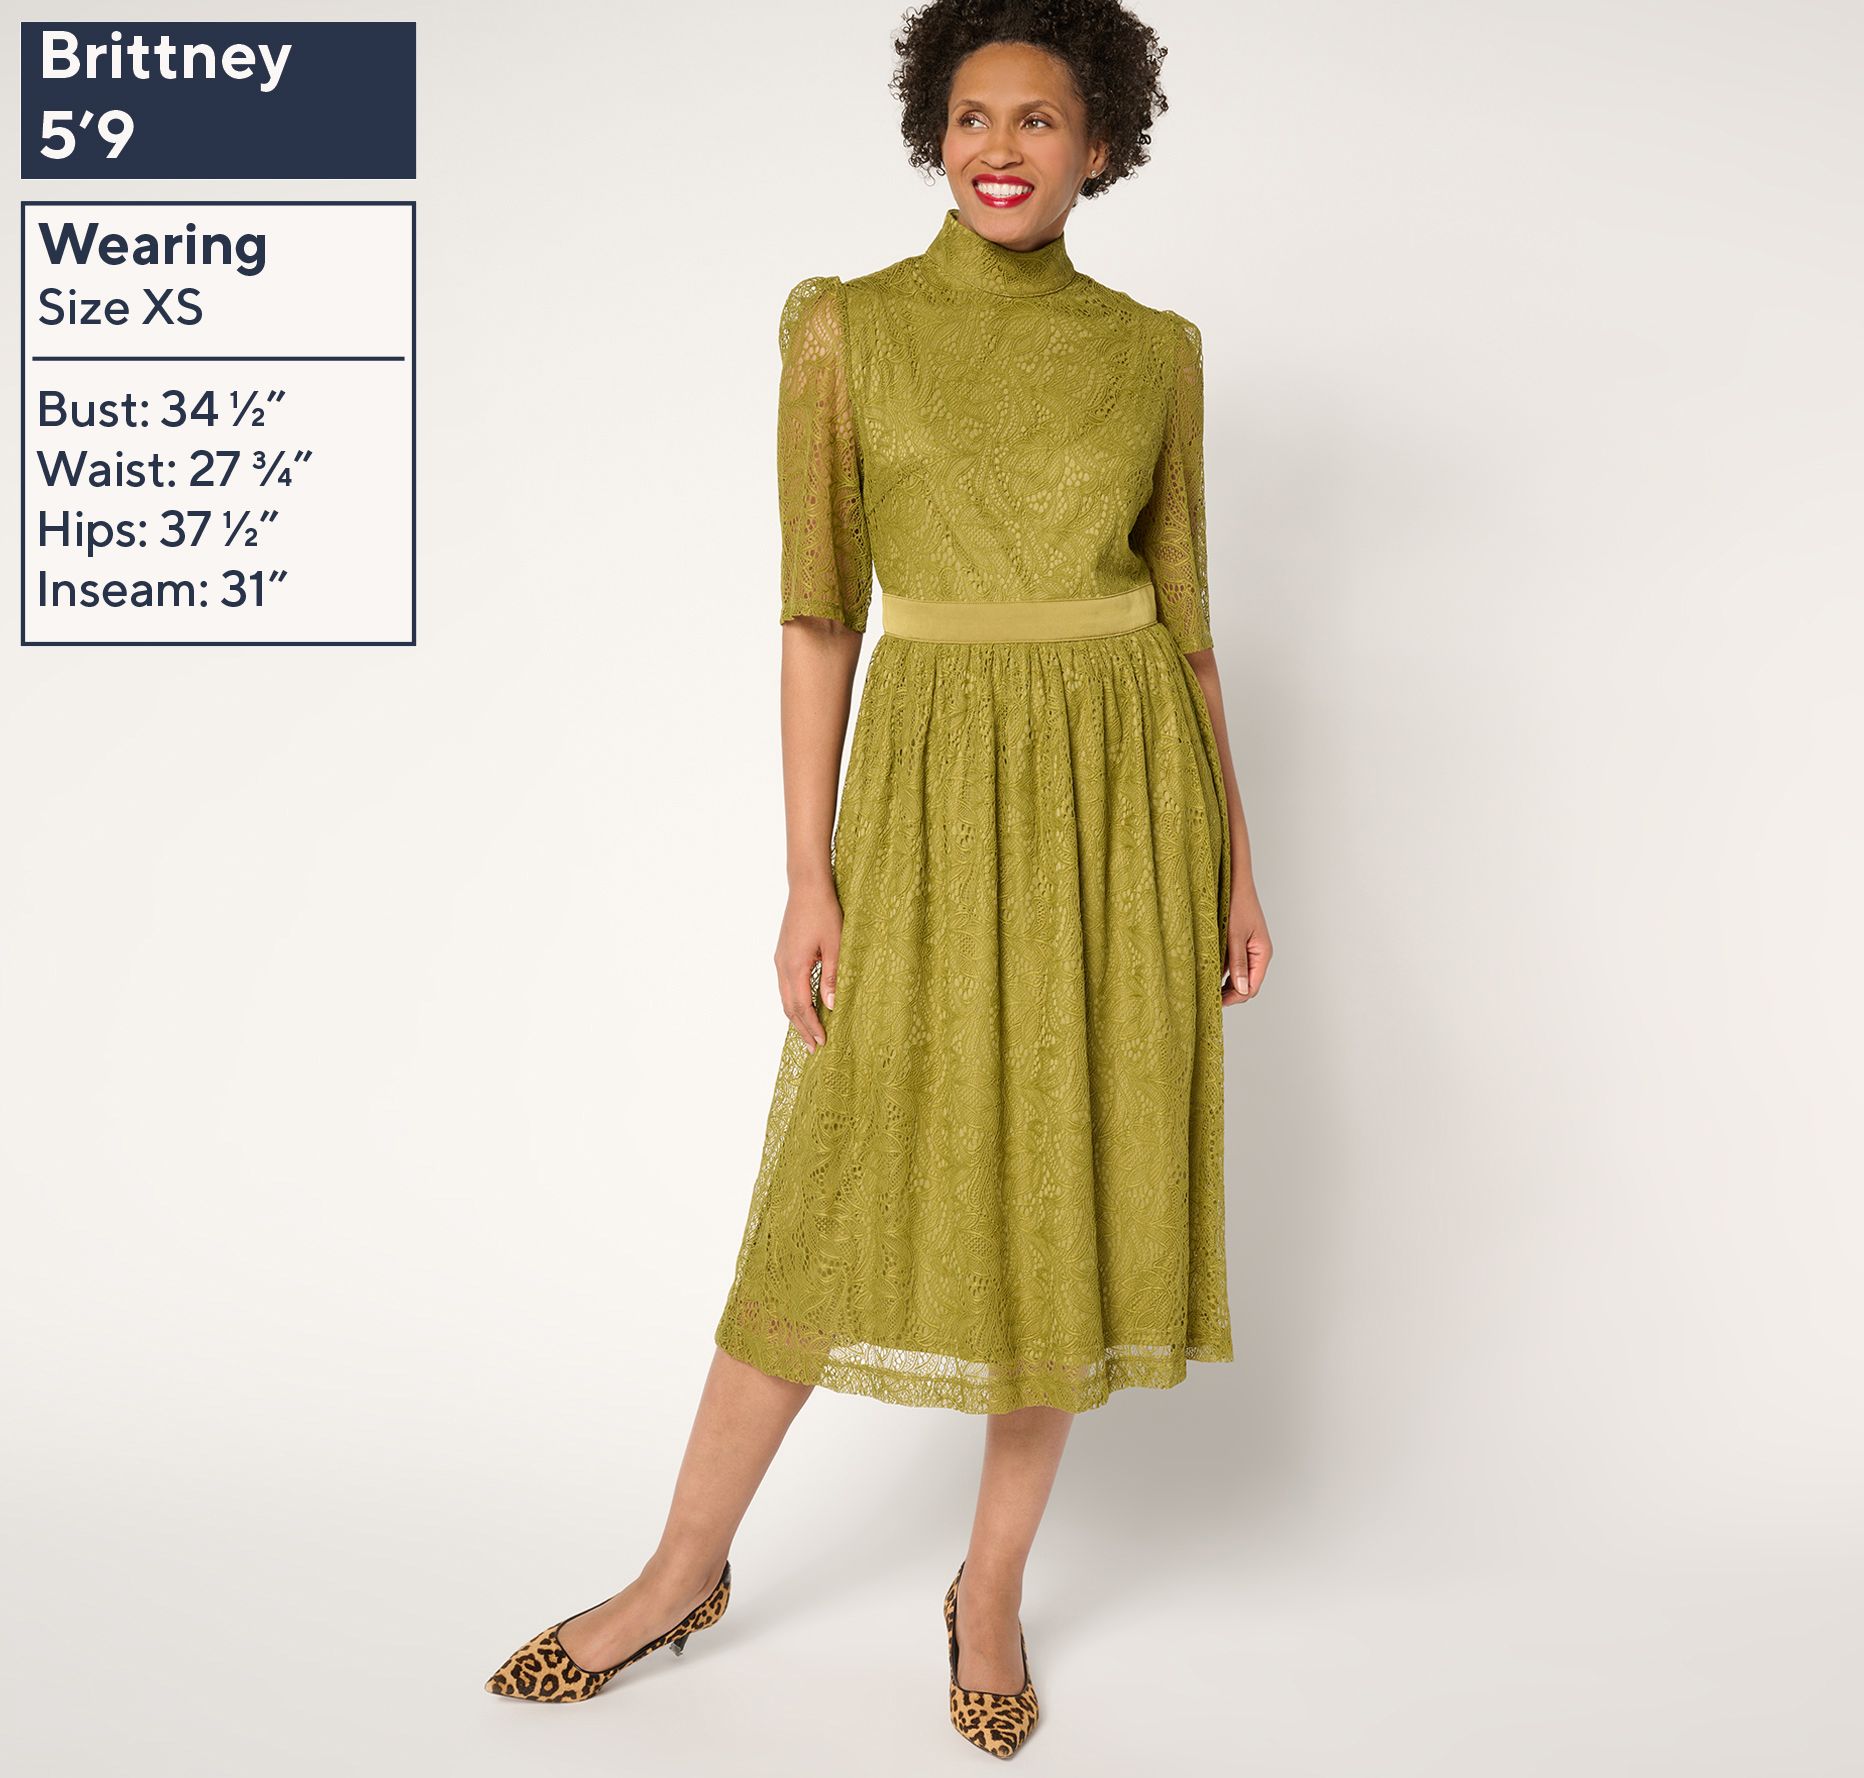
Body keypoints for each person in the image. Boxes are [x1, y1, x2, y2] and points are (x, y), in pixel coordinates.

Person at [484, 0, 1272, 1757]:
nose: (1002, 146)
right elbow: (817, 612)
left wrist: (1236, 861)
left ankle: (988, 1590)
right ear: (935, 134)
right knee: (834, 1179)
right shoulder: (847, 328)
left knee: (1066, 1180)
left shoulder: (1156, 352)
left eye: (1041, 119)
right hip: (926, 795)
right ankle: (681, 1567)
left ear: (1100, 146)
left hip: (1122, 801)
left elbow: (1192, 629)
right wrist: (806, 871)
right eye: (973, 115)